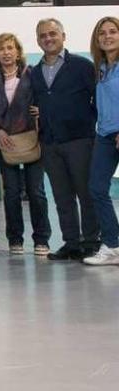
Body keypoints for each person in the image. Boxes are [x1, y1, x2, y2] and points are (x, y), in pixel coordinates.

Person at [31, 18, 99, 260]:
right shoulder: (35, 72)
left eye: (52, 34)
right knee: (61, 196)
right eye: (42, 35)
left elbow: (98, 99)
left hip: (80, 140)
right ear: (37, 40)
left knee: (86, 193)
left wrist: (92, 127)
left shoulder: (82, 66)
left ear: (63, 35)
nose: (48, 38)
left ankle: (91, 241)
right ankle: (71, 242)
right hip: (50, 143)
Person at [0, 33, 51, 255]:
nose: (6, 52)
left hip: (32, 139)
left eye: (10, 48)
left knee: (36, 191)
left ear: (18, 51)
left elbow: (44, 99)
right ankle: (15, 239)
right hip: (5, 141)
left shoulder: (33, 75)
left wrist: (41, 111)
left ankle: (42, 239)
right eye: (1, 49)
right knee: (11, 192)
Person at [84, 16, 119, 265]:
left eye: (112, 31)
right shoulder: (100, 68)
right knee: (97, 188)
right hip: (105, 135)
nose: (107, 36)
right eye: (102, 33)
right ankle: (113, 245)